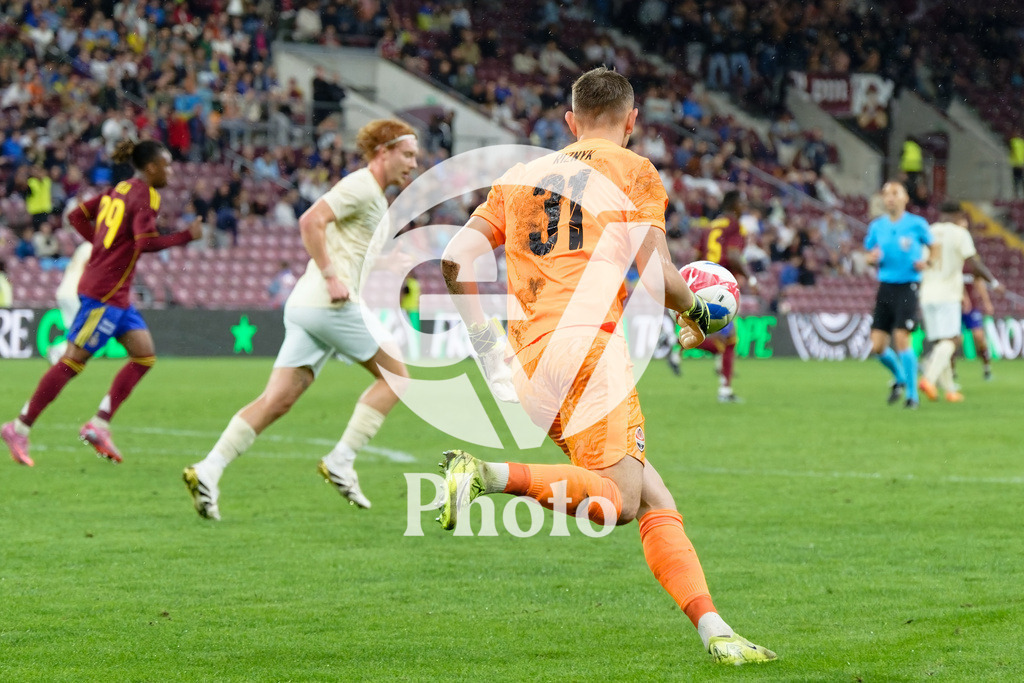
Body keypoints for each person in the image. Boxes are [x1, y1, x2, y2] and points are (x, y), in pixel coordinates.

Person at [436, 67, 775, 666]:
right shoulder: (633, 171)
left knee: (654, 499)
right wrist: (702, 312)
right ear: (632, 120)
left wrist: (487, 349)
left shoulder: (519, 176)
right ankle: (488, 475)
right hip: (589, 350)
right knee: (619, 503)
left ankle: (716, 632)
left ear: (569, 121)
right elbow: (655, 275)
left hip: (528, 358)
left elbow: (455, 259)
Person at [183, 119, 420, 521]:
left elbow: (352, 250)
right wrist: (331, 276)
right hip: (329, 305)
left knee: (276, 401)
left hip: (308, 307)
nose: (414, 164)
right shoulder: (362, 185)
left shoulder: (376, 198)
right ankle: (342, 460)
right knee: (397, 378)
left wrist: (388, 262)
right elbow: (311, 220)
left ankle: (208, 470)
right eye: (408, 154)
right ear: (384, 151)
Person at [2, 140, 201, 467]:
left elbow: (77, 215)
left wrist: (102, 246)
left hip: (117, 294)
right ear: (150, 167)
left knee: (144, 355)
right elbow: (145, 242)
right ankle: (19, 426)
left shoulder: (120, 189)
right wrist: (185, 237)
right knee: (71, 363)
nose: (170, 170)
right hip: (104, 294)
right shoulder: (146, 195)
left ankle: (99, 423)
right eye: (166, 164)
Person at [918, 202, 1001, 403]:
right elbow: (974, 263)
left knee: (941, 342)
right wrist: (994, 282)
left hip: (927, 292)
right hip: (947, 294)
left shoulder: (929, 231)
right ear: (958, 215)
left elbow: (920, 262)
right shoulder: (960, 233)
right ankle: (928, 377)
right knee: (953, 340)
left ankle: (949, 390)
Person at [863, 181, 932, 409]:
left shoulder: (916, 224)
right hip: (886, 286)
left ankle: (912, 396)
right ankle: (901, 377)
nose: (889, 197)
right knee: (877, 347)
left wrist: (928, 261)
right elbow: (868, 253)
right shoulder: (877, 226)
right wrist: (871, 258)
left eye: (894, 193)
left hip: (908, 286)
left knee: (902, 340)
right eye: (886, 194)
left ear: (905, 198)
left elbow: (934, 247)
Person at [693, 190, 758, 403]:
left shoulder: (710, 226)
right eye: (742, 202)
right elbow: (732, 255)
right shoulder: (735, 226)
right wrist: (751, 278)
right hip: (721, 283)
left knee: (728, 338)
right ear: (733, 205)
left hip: (703, 279)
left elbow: (696, 255)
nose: (744, 207)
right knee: (725, 340)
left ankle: (725, 389)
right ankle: (676, 343)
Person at [47, 240, 93, 364]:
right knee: (84, 330)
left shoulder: (83, 246)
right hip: (75, 293)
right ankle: (59, 350)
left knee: (75, 329)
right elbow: (89, 268)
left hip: (63, 291)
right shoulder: (92, 247)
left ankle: (61, 352)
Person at [961, 267, 995, 381]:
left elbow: (979, 283)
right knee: (955, 340)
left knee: (979, 336)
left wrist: (987, 302)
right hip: (955, 307)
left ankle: (987, 368)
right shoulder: (953, 261)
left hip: (973, 308)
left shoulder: (972, 265)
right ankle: (951, 373)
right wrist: (963, 297)